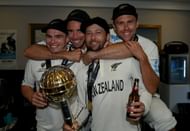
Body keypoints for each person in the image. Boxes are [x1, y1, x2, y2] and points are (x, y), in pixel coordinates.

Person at [81, 3, 177, 131]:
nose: (126, 27)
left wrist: (142, 57)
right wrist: (93, 54)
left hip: (143, 90)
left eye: (130, 22)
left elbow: (152, 87)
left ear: (137, 23)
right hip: (111, 88)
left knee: (165, 118)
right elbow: (87, 48)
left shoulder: (149, 46)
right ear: (114, 27)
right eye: (120, 23)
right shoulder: (103, 34)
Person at [64, 17, 152, 131]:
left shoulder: (128, 61)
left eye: (98, 32)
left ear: (108, 36)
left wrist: (143, 105)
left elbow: (145, 89)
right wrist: (75, 123)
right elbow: (84, 106)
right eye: (89, 33)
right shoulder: (83, 73)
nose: (93, 37)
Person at [21, 18, 85, 131]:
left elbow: (85, 98)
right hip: (43, 126)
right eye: (49, 37)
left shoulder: (79, 59)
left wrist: (77, 122)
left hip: (72, 125)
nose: (52, 41)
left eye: (58, 36)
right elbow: (26, 85)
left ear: (67, 39)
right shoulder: (35, 59)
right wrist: (31, 96)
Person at [24, 9, 90, 61]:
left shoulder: (94, 45)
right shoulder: (64, 43)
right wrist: (66, 54)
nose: (75, 36)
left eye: (80, 31)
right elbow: (29, 51)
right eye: (70, 31)